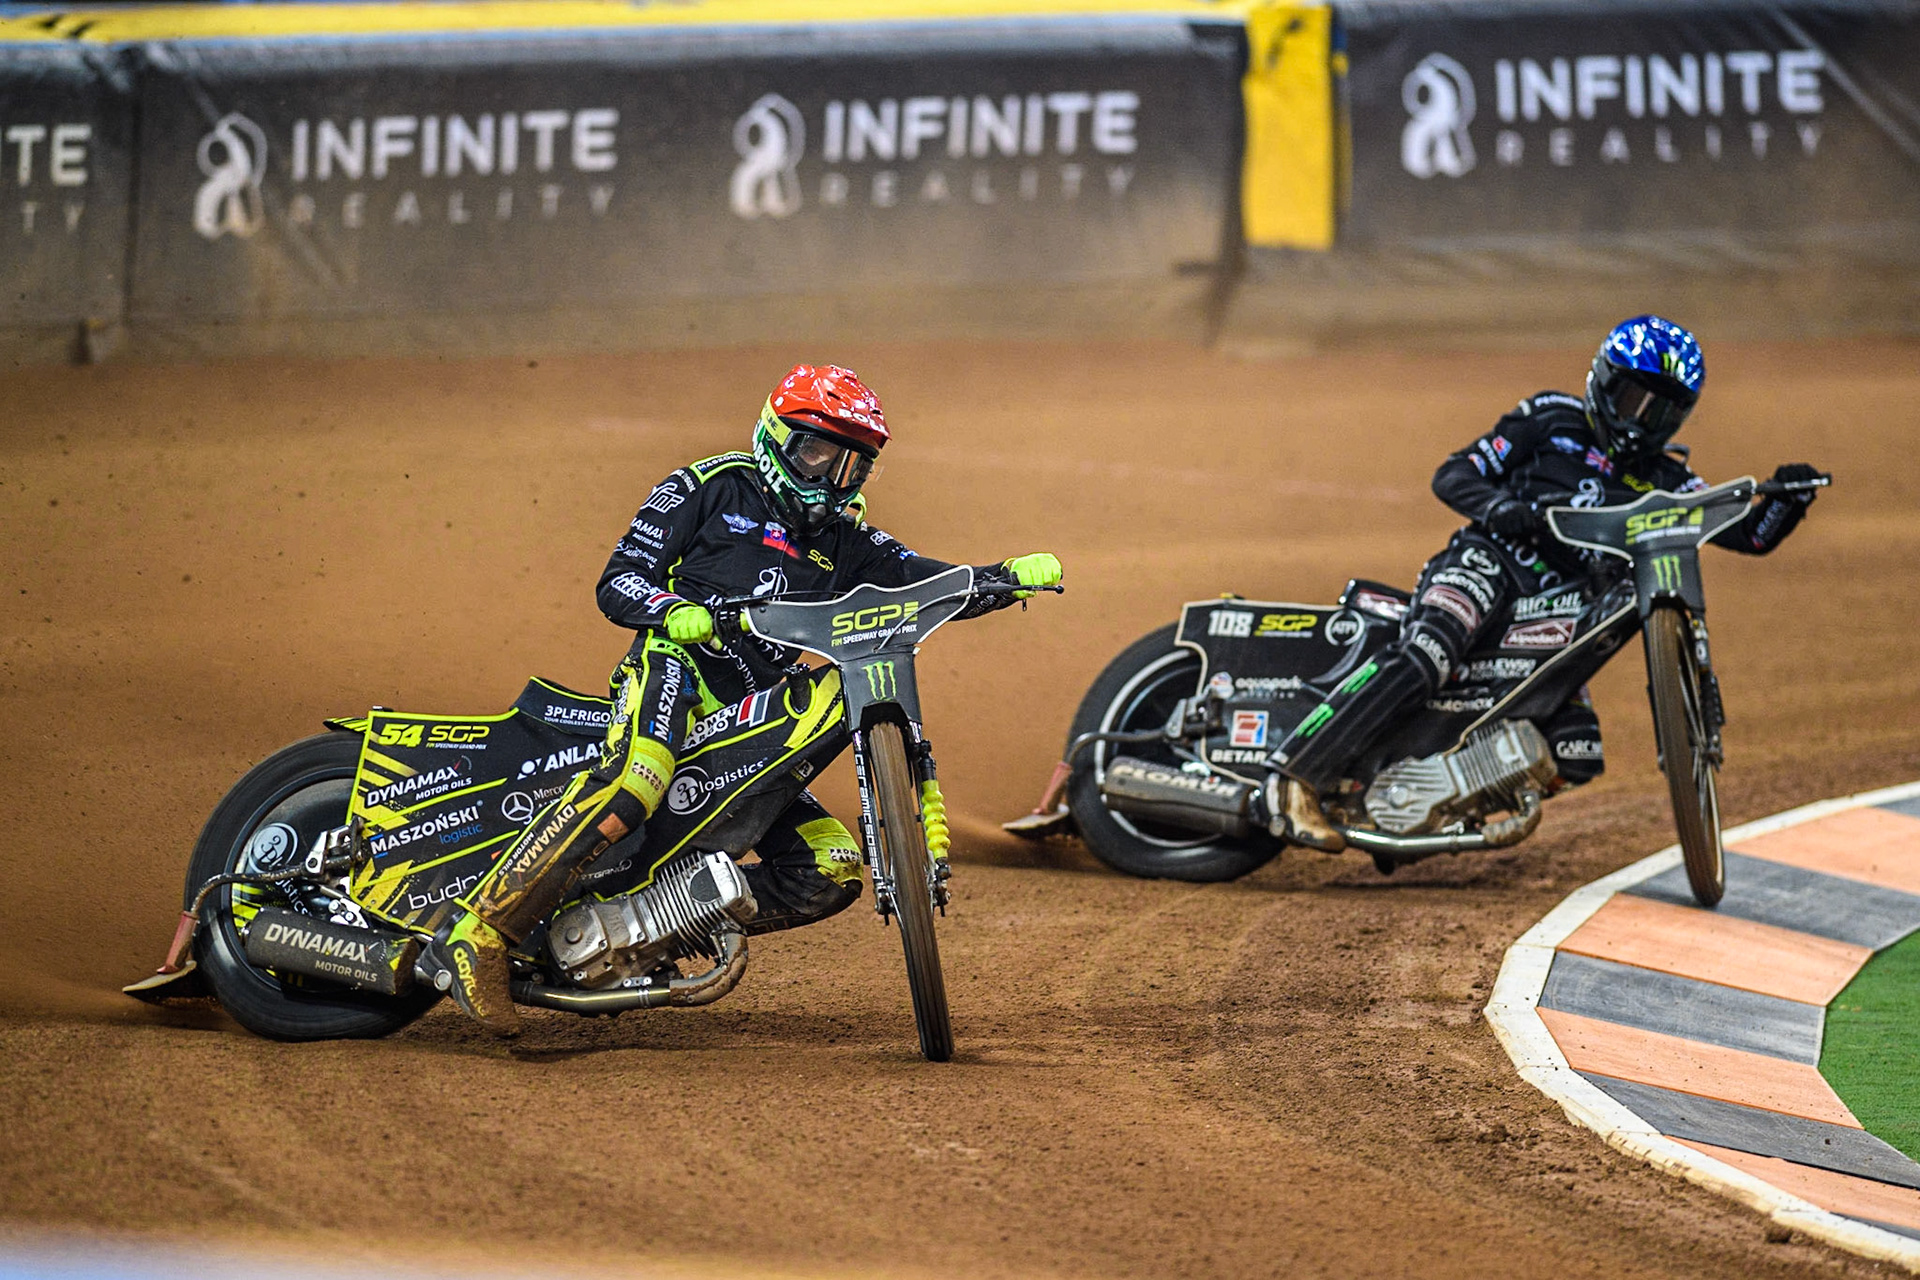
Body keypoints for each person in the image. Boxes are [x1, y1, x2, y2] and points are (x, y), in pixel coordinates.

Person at [420, 363, 1063, 1034]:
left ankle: (645, 921)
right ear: (775, 437)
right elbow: (618, 582)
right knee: (637, 781)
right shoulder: (707, 486)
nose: (831, 477)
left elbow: (917, 584)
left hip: (751, 723)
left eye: (852, 465)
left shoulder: (847, 541)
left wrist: (1004, 579)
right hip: (676, 671)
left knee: (830, 868)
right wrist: (672, 611)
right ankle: (478, 932)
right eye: (818, 451)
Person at [1266, 315, 1824, 851]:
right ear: (1605, 382)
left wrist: (1789, 500)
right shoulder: (1551, 417)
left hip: (1561, 610)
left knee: (1576, 750)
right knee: (1429, 653)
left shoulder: (1666, 478)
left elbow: (1747, 534)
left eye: (1663, 416)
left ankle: (1420, 806)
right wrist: (1503, 507)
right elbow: (1453, 473)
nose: (1643, 423)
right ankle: (1295, 777)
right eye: (1636, 402)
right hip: (1490, 562)